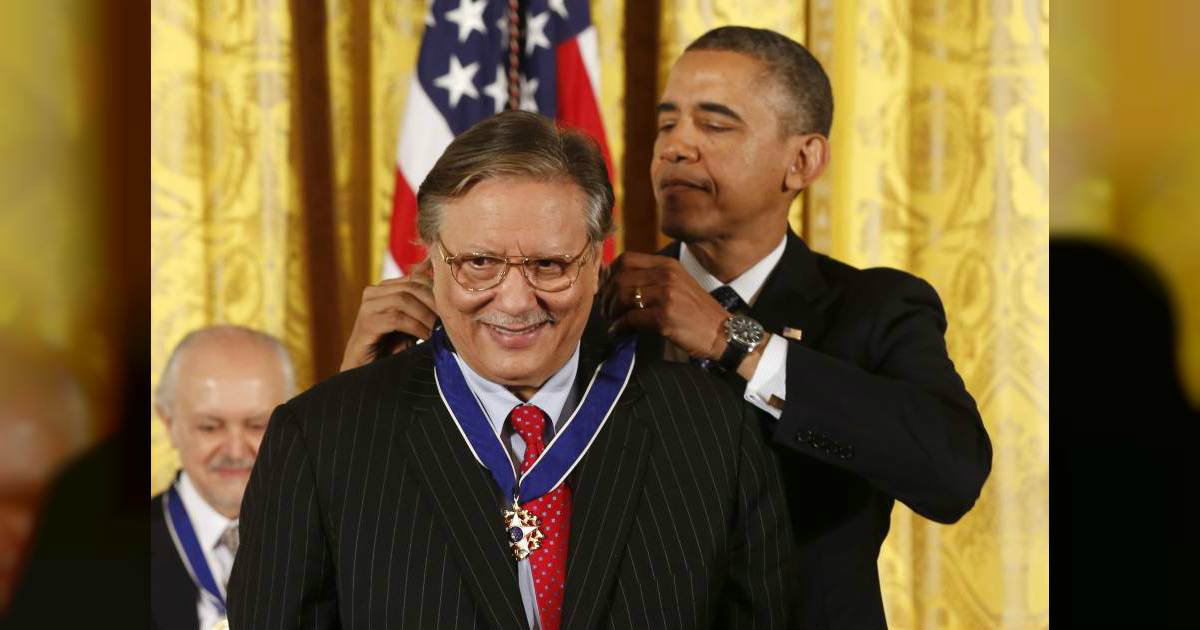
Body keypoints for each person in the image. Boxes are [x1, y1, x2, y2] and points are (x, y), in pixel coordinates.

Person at [341, 27, 992, 629]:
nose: (677, 145)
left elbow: (951, 474)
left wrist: (731, 340)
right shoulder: (570, 299)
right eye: (666, 123)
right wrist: (360, 388)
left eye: (715, 123)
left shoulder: (873, 307)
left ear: (803, 161)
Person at [228, 111, 792, 630]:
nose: (517, 301)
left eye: (549, 265)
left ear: (597, 260)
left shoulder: (714, 432)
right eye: (480, 263)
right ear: (431, 260)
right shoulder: (321, 438)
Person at [150, 326, 295, 630]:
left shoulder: (335, 541)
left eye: (257, 426)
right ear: (168, 422)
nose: (234, 450)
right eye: (209, 427)